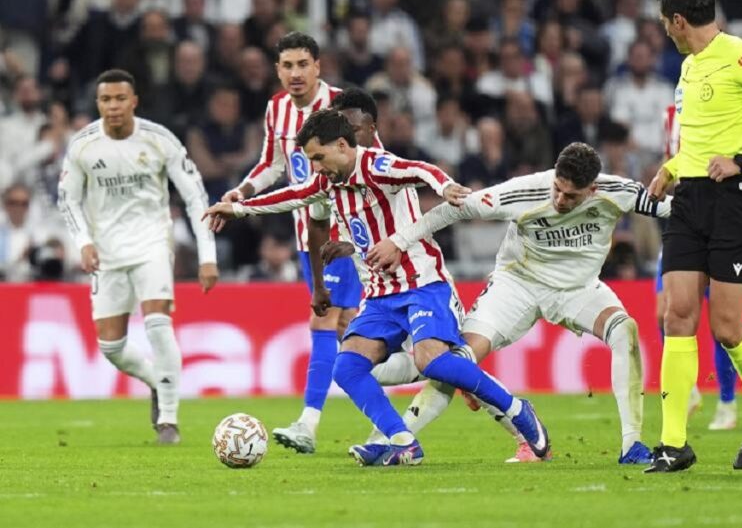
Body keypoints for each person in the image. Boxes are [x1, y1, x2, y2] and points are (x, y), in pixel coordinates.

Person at [203, 108, 550, 467]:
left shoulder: (377, 166)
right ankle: (403, 442)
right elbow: (292, 195)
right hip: (381, 295)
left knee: (432, 361)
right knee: (346, 367)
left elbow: (420, 169)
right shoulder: (327, 183)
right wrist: (238, 209)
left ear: (342, 145)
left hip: (423, 284)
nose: (316, 168)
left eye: (318, 157)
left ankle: (518, 410)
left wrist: (444, 186)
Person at [365, 142, 665, 464]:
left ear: (592, 189)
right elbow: (456, 209)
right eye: (557, 189)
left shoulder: (619, 192)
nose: (560, 200)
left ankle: (632, 445)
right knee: (454, 362)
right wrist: (399, 241)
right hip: (517, 285)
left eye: (571, 196)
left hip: (578, 289)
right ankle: (396, 439)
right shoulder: (526, 191)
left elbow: (679, 208)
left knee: (624, 330)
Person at [646, 0, 742, 473]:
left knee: (725, 327)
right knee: (676, 315)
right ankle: (673, 443)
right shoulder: (688, 66)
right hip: (691, 198)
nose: (665, 30)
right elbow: (699, 140)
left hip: (737, 200)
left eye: (666, 21)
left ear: (679, 20)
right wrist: (672, 167)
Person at [57, 69, 218, 445]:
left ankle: (169, 421)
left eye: (119, 99)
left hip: (152, 243)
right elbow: (68, 200)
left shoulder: (159, 139)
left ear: (134, 101)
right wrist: (83, 242)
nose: (113, 106)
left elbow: (195, 196)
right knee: (110, 346)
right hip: (106, 252)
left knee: (158, 324)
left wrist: (207, 255)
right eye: (105, 100)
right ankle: (156, 382)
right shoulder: (83, 146)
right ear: (98, 104)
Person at [221, 32, 361, 454]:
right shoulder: (276, 108)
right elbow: (272, 163)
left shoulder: (343, 106)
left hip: (343, 233)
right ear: (277, 70)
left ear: (318, 66)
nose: (295, 73)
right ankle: (423, 385)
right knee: (348, 328)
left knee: (324, 321)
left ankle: (308, 423)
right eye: (287, 65)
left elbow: (370, 162)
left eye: (303, 64)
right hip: (307, 235)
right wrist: (242, 191)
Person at [655, 105, 739, 431]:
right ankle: (688, 390)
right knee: (664, 313)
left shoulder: (720, 113)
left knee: (721, 325)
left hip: (716, 223)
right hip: (682, 221)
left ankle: (728, 402)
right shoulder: (670, 115)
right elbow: (672, 162)